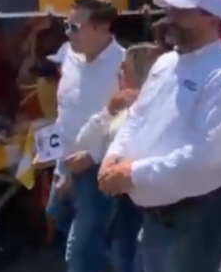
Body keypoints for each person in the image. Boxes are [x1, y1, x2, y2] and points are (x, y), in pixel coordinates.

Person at [100, 0, 221, 272]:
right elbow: (137, 117)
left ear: (211, 18)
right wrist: (113, 157)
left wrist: (132, 172)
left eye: (181, 11)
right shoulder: (164, 63)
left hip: (196, 216)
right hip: (156, 215)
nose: (170, 18)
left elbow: (205, 155)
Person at [50, 0, 125, 272]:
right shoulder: (68, 54)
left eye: (74, 27)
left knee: (80, 250)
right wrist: (62, 166)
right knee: (60, 223)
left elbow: (127, 123)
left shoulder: (122, 65)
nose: (68, 33)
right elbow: (65, 111)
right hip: (66, 162)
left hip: (97, 166)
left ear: (100, 28)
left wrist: (91, 157)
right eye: (66, 25)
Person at [76, 44, 164, 272]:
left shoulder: (160, 107)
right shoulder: (121, 107)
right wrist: (108, 111)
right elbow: (85, 140)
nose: (119, 73)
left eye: (124, 68)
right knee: (122, 255)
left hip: (150, 202)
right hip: (122, 201)